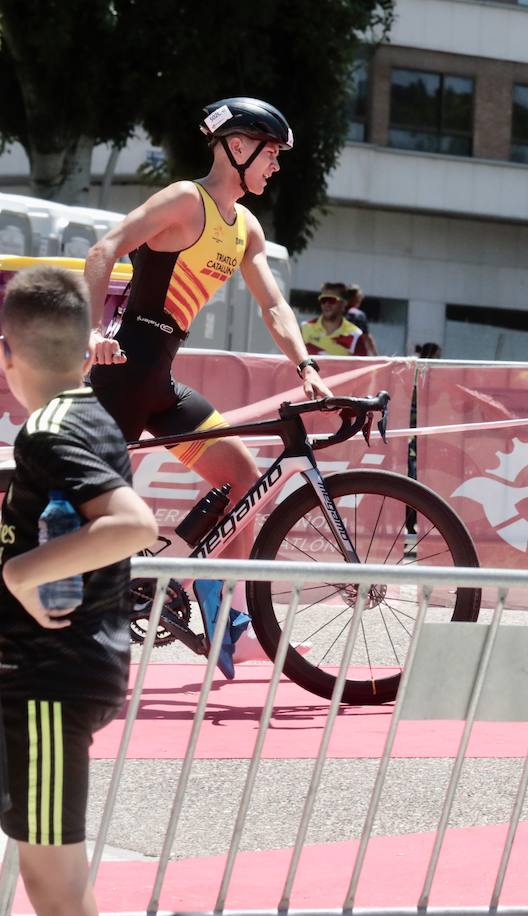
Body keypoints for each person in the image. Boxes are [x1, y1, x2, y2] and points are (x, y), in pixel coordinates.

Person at [82, 97, 332, 678]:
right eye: (271, 153)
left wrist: (305, 366)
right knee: (85, 512)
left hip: (158, 381)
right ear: (237, 147)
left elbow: (273, 304)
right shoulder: (181, 200)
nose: (277, 166)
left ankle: (228, 616)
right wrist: (94, 332)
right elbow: (103, 251)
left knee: (244, 477)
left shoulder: (245, 227)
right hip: (121, 371)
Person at [0, 266, 159, 916]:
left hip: (46, 680)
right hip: (54, 674)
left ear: (8, 355)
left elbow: (133, 524)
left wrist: (17, 575)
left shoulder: (48, 431)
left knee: (53, 883)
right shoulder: (91, 416)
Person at [301, 281, 368, 356]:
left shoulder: (355, 335)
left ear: (344, 303)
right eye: (323, 300)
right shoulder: (304, 327)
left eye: (331, 300)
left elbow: (363, 367)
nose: (326, 304)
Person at [343, 283, 379, 356]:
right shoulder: (358, 315)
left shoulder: (338, 314)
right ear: (356, 298)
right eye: (360, 296)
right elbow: (367, 337)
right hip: (357, 356)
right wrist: (376, 356)